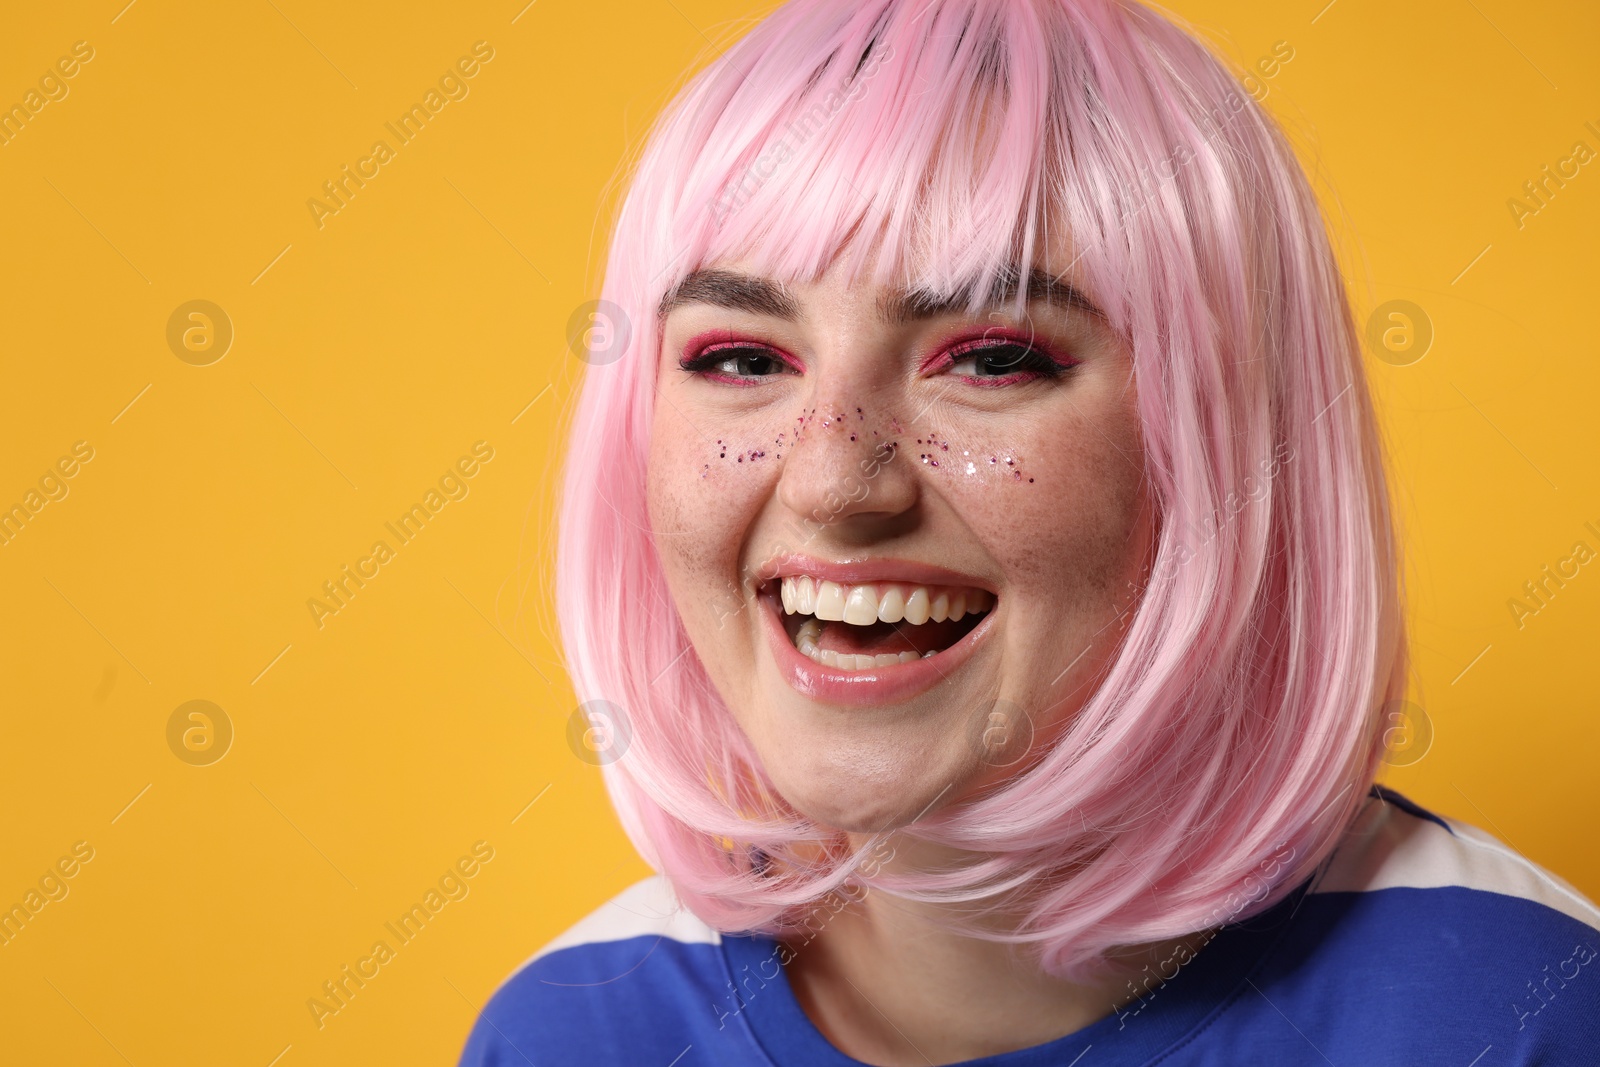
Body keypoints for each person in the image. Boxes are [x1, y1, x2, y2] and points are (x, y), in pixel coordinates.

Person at [459, 0, 1600, 1063]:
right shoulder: (574, 1030)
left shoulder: (1519, 1010)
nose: (833, 481)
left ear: (1223, 443)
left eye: (995, 356)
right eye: (742, 358)